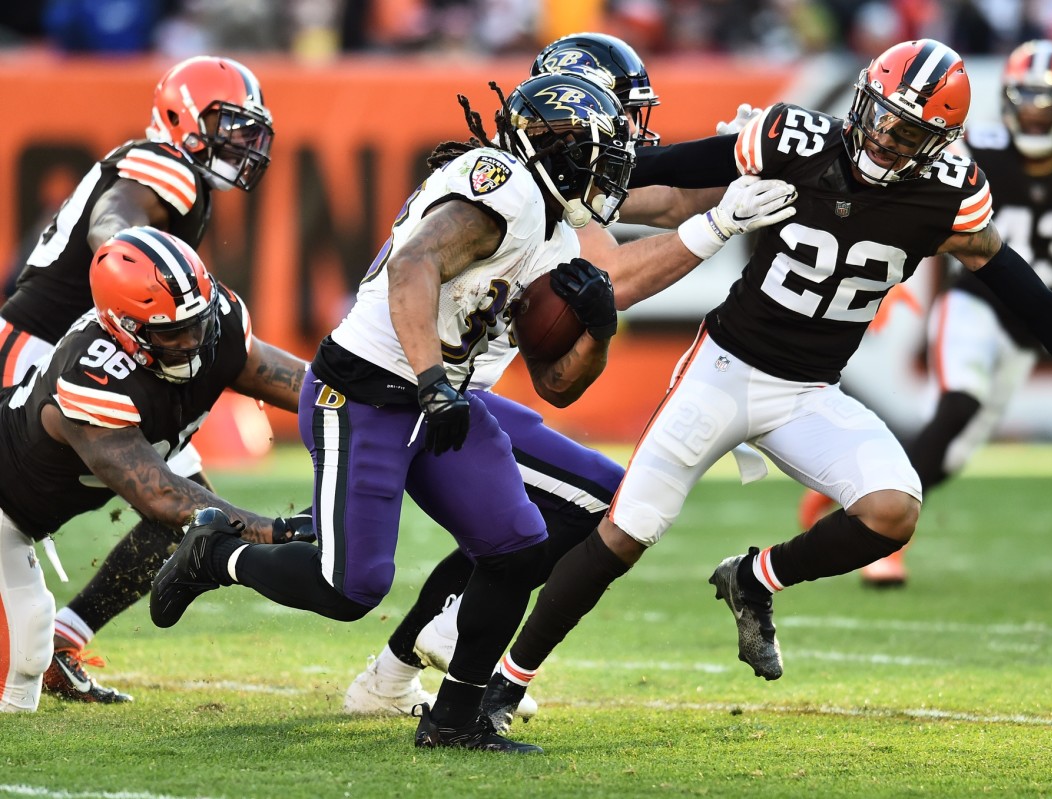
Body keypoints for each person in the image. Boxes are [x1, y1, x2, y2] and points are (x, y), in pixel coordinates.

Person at [474, 38, 1052, 728]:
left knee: (893, 509)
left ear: (940, 143)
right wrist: (560, 167)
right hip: (724, 367)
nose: (885, 142)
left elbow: (1030, 294)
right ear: (862, 100)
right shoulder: (794, 138)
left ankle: (755, 577)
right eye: (881, 119)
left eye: (910, 136)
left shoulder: (948, 194)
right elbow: (669, 166)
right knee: (627, 532)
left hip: (810, 390)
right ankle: (501, 686)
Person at [149, 71, 639, 754]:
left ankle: (454, 718)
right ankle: (218, 554)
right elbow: (414, 267)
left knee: (518, 544)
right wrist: (435, 380)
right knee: (350, 586)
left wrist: (600, 330)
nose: (607, 172)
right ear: (556, 146)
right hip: (367, 390)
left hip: (438, 393)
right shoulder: (507, 186)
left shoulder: (555, 235)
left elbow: (556, 385)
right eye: (597, 154)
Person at [340, 31, 798, 721]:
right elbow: (602, 285)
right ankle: (444, 632)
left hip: (454, 386)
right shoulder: (526, 186)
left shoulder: (560, 168)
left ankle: (393, 671)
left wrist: (742, 164)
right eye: (622, 113)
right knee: (558, 514)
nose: (632, 135)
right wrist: (721, 222)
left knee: (529, 520)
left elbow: (665, 199)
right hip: (421, 385)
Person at [799, 39, 1052, 587]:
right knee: (958, 406)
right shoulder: (976, 150)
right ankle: (880, 542)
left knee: (951, 453)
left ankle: (854, 488)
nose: (1033, 112)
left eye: (1045, 102)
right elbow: (917, 215)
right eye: (1023, 99)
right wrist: (883, 275)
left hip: (1028, 326)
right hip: (970, 302)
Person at [0, 55, 279, 704]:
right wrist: (142, 259)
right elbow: (113, 220)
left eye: (246, 129)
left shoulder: (189, 179)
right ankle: (35, 634)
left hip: (94, 348)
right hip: (41, 352)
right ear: (179, 118)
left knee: (183, 502)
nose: (238, 142)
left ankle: (62, 639)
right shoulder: (166, 164)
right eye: (224, 124)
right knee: (26, 502)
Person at [0, 227, 310, 712]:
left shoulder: (218, 325)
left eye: (197, 323)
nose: (191, 341)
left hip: (38, 499)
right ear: (123, 328)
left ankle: (70, 636)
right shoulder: (92, 375)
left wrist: (367, 408)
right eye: (171, 332)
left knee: (178, 526)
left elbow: (304, 388)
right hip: (4, 512)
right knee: (20, 670)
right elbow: (162, 496)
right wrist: (272, 530)